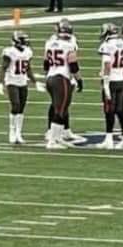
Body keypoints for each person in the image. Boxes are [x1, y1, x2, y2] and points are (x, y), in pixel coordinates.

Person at [0, 30, 40, 144]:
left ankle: (18, 133)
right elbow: (3, 68)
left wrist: (35, 82)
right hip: (11, 81)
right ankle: (12, 131)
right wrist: (1, 83)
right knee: (15, 105)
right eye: (23, 40)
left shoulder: (28, 52)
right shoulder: (9, 52)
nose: (26, 42)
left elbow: (28, 68)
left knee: (21, 107)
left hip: (22, 81)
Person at [43, 18, 80, 149]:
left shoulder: (49, 43)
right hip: (62, 78)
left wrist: (47, 75)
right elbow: (73, 65)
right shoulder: (69, 45)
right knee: (60, 110)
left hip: (51, 77)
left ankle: (57, 137)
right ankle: (52, 141)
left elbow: (46, 64)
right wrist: (79, 79)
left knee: (59, 107)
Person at [97, 23, 123, 149]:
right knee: (120, 110)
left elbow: (107, 65)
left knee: (109, 110)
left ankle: (109, 139)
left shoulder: (107, 45)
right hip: (121, 79)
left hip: (111, 81)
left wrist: (105, 82)